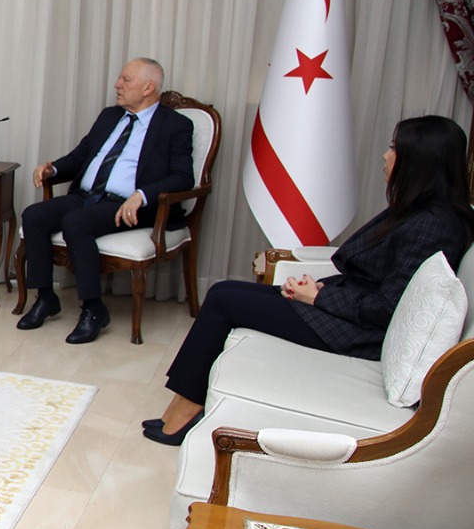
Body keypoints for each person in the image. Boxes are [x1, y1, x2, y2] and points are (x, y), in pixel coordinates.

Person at [145, 115, 474, 445]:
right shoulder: (420, 211)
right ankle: (185, 402)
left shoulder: (433, 225)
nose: (385, 156)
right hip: (349, 311)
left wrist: (317, 297)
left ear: (420, 160)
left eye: (394, 148)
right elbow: (374, 279)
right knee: (225, 290)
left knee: (222, 300)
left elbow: (387, 307)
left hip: (359, 334)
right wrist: (317, 288)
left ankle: (184, 409)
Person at [16, 58, 194, 345]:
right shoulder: (110, 116)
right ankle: (46, 298)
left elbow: (183, 177)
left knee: (76, 222)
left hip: (128, 206)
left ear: (148, 87)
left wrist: (142, 195)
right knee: (34, 215)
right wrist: (54, 169)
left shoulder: (175, 125)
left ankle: (93, 308)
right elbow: (80, 156)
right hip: (87, 196)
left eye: (126, 80)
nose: (117, 85)